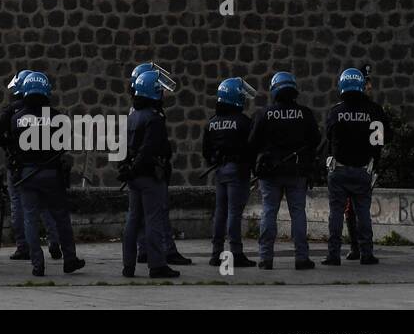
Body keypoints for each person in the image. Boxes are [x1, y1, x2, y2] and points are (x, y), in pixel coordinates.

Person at [9, 71, 85, 277]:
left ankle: (37, 263)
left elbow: (13, 148)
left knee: (30, 219)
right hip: (52, 174)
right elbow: (64, 145)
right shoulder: (58, 117)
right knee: (61, 218)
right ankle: (69, 258)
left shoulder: (16, 119)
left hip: (27, 174)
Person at [248, 71, 320, 270]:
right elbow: (315, 140)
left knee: (269, 212)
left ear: (274, 90)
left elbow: (252, 144)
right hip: (297, 172)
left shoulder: (263, 114)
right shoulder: (305, 113)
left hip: (270, 173)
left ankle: (265, 258)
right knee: (298, 213)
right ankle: (302, 258)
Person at [127, 61, 191, 266]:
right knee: (157, 214)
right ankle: (164, 254)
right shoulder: (151, 113)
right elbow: (152, 144)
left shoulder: (135, 111)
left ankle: (141, 253)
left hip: (136, 172)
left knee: (136, 218)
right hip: (150, 172)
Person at [120, 67, 180, 278]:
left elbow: (125, 147)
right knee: (153, 220)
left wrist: (127, 168)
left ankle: (128, 265)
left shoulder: (133, 115)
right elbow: (150, 148)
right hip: (149, 175)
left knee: (133, 220)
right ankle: (157, 265)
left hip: (134, 177)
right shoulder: (154, 118)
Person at [322, 68, 385, 266]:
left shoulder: (336, 111)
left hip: (339, 169)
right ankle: (366, 253)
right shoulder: (374, 110)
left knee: (336, 213)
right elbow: (382, 139)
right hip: (363, 169)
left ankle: (333, 254)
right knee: (363, 213)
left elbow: (328, 137)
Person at [0, 69, 60, 260]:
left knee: (20, 207)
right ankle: (54, 241)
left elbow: (2, 135)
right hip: (47, 166)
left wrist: (12, 152)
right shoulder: (47, 112)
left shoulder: (12, 111)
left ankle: (23, 246)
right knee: (47, 207)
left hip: (19, 167)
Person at [202, 77, 256, 267]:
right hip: (238, 171)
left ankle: (216, 253)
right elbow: (252, 148)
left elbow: (206, 151)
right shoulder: (243, 122)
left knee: (220, 213)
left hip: (219, 171)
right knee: (234, 213)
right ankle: (236, 253)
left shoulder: (212, 122)